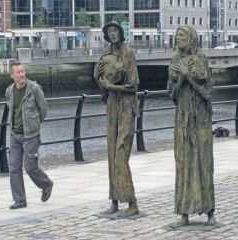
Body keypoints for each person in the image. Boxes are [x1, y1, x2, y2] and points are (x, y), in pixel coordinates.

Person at [167, 26, 216, 226]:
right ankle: (184, 213)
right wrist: (181, 79)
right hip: (183, 118)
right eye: (176, 36)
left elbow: (207, 91)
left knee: (204, 162)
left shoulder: (201, 58)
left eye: (181, 36)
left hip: (201, 118)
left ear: (191, 39)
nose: (177, 39)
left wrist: (188, 75)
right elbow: (173, 94)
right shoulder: (174, 60)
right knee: (183, 163)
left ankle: (210, 211)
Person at [94, 21, 140, 217]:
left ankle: (132, 203)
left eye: (115, 31)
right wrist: (100, 80)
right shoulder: (105, 53)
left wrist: (112, 87)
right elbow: (100, 77)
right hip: (112, 105)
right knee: (112, 153)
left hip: (126, 106)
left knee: (121, 153)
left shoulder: (128, 53)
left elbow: (134, 85)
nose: (113, 34)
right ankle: (114, 200)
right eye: (109, 31)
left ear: (121, 33)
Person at [5, 62, 53, 210]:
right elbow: (10, 108)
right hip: (15, 134)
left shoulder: (34, 89)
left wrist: (35, 124)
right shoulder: (9, 91)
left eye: (23, 71)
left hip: (31, 135)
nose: (22, 75)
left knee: (30, 166)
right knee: (13, 167)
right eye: (18, 72)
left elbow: (43, 109)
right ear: (12, 75)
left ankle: (46, 184)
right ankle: (20, 200)